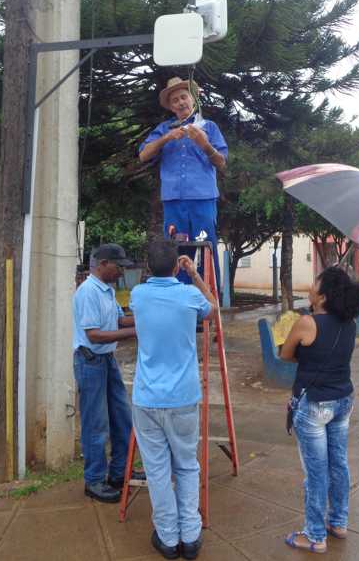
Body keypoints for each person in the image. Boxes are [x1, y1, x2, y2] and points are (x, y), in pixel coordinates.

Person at [129, 240, 217, 560]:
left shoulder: (138, 296)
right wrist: (194, 274)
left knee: (157, 470)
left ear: (148, 267)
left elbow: (147, 291)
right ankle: (190, 536)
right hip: (182, 398)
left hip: (148, 398)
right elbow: (213, 309)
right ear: (178, 266)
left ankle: (167, 538)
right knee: (186, 465)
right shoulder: (189, 295)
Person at [279, 266, 359, 554]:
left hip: (314, 404)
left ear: (324, 295)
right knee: (338, 464)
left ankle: (315, 537)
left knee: (316, 472)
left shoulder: (307, 323)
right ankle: (338, 522)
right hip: (343, 401)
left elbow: (286, 354)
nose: (310, 286)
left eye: (315, 283)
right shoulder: (350, 323)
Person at [138, 76, 228, 288]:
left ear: (193, 99)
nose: (180, 102)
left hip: (202, 200)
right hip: (173, 202)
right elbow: (143, 155)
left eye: (183, 97)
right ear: (170, 106)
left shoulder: (209, 126)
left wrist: (204, 144)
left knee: (206, 249)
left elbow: (221, 162)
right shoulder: (163, 129)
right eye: (175, 100)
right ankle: (178, 300)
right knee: (175, 251)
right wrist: (167, 138)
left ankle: (209, 304)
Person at [73, 243, 143, 503]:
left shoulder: (108, 291)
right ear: (102, 264)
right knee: (97, 423)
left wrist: (149, 315)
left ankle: (119, 472)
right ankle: (94, 480)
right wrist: (135, 332)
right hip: (90, 361)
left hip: (106, 360)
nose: (122, 272)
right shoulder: (88, 292)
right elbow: (94, 335)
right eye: (118, 266)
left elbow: (119, 320)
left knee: (123, 417)